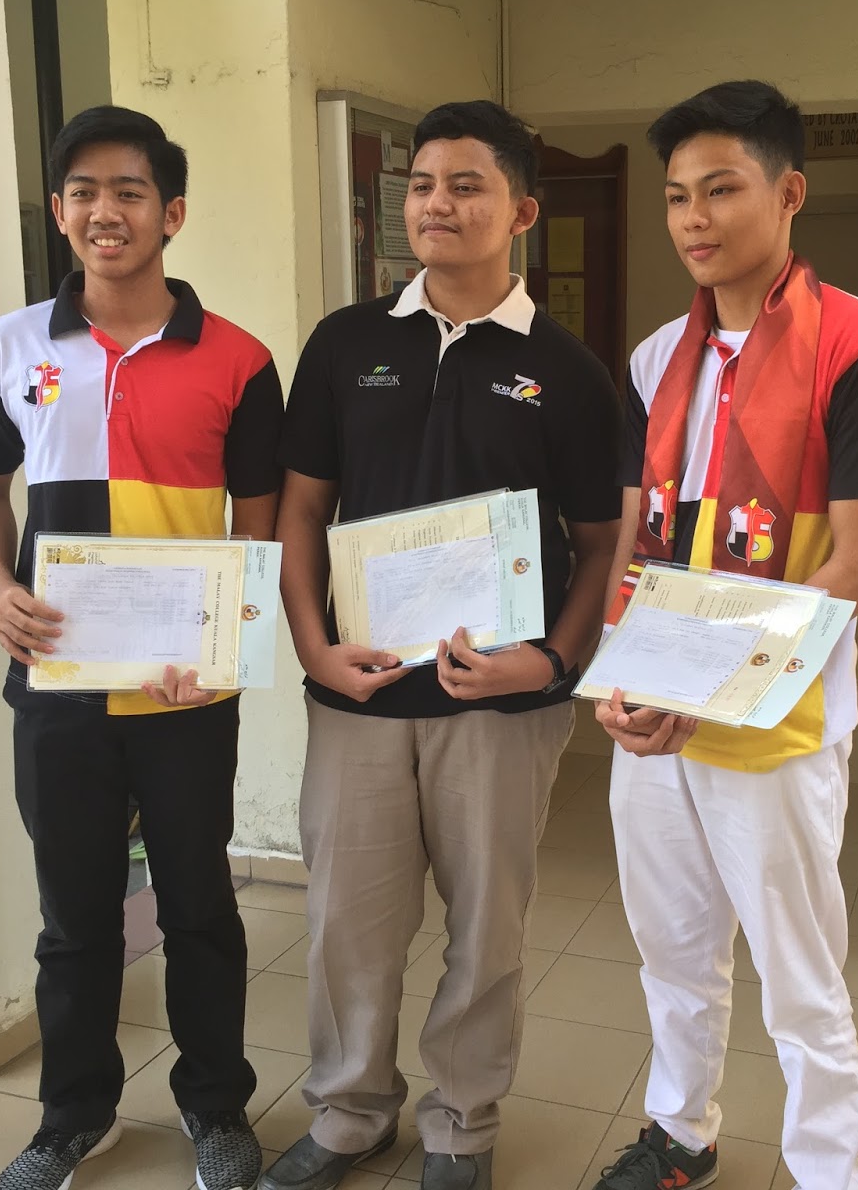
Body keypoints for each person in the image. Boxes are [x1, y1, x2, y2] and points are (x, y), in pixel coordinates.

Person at [265, 100, 621, 1190]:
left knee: (487, 931)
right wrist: (314, 649)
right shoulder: (345, 343)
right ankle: (348, 1113)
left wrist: (551, 664)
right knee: (348, 924)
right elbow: (299, 510)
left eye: (467, 185)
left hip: (499, 705)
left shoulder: (566, 369)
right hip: (362, 694)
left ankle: (462, 1123)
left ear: (520, 212)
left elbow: (601, 546)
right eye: (422, 184)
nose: (437, 203)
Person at [588, 81, 858, 1190]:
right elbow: (637, 542)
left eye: (720, 189)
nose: (693, 217)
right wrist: (620, 677)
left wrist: (707, 686)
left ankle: (829, 1172)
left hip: (776, 724)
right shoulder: (656, 360)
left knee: (798, 976)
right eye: (677, 195)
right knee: (673, 950)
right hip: (657, 719)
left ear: (789, 194)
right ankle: (680, 1133)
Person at [0, 105, 283, 1190]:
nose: (106, 211)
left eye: (130, 191)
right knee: (74, 919)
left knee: (201, 910)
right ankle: (72, 1117)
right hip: (59, 687)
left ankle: (215, 1107)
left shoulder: (239, 359)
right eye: (84, 192)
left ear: (170, 213)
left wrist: (222, 643)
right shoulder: (8, 346)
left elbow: (260, 526)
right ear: (59, 211)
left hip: (186, 693)